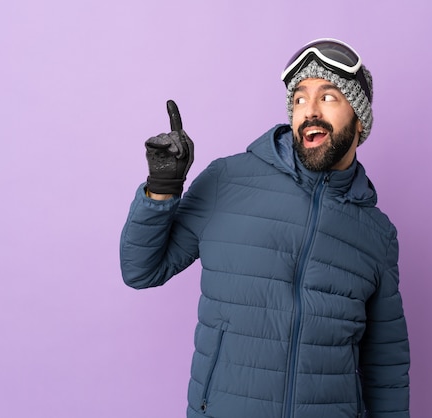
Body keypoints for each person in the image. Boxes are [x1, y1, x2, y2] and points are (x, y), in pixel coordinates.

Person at [120, 38, 410, 418]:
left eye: (328, 97)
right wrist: (162, 188)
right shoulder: (229, 180)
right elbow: (142, 270)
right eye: (300, 99)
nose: (309, 111)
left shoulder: (377, 234)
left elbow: (384, 365)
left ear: (359, 119)